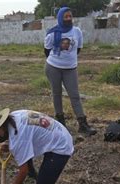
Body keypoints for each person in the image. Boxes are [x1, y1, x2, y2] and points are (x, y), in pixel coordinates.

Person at [44, 6, 97, 136]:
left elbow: (78, 49)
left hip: (70, 69)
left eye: (70, 16)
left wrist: (68, 60)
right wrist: (59, 60)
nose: (68, 19)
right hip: (53, 67)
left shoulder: (77, 31)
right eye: (65, 17)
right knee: (57, 94)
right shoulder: (52, 33)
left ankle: (83, 124)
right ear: (60, 18)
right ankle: (61, 123)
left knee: (75, 95)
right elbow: (47, 51)